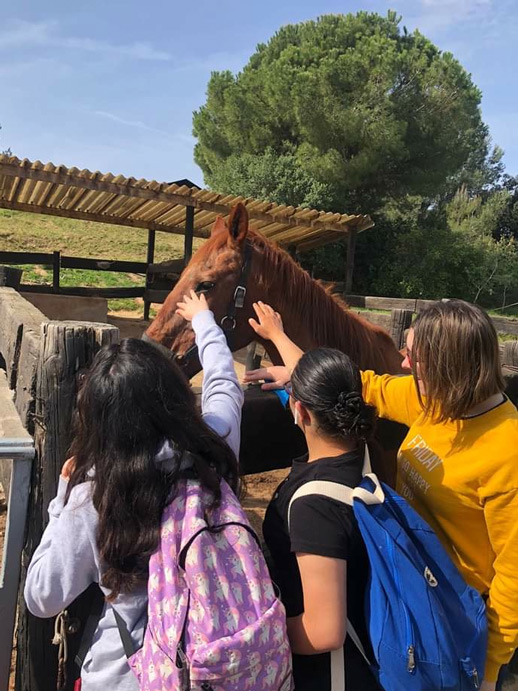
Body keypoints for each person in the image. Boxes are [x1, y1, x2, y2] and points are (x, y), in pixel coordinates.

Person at [244, 299, 518, 691]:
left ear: (449, 367)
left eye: (415, 358)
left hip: (451, 618)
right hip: (406, 584)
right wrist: (286, 353)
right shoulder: (436, 401)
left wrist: (488, 670)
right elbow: (357, 384)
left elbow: (514, 578)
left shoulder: (508, 449)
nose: (404, 364)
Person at [24, 291, 243, 690]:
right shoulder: (214, 449)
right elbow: (224, 379)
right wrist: (204, 321)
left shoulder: (93, 495)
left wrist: (60, 498)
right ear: (175, 397)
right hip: (213, 666)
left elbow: (42, 596)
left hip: (124, 677)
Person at [258, 338, 380, 689]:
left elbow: (324, 631)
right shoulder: (360, 455)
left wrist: (260, 637)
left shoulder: (315, 505)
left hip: (328, 675)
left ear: (301, 412)